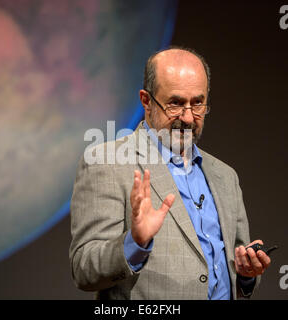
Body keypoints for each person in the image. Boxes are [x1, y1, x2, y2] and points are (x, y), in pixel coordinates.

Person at [69, 46, 271, 299]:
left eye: (198, 103)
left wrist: (246, 274)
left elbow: (233, 267)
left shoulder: (225, 176)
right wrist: (135, 242)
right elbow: (84, 269)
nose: (187, 118)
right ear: (146, 101)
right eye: (175, 103)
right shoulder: (106, 163)